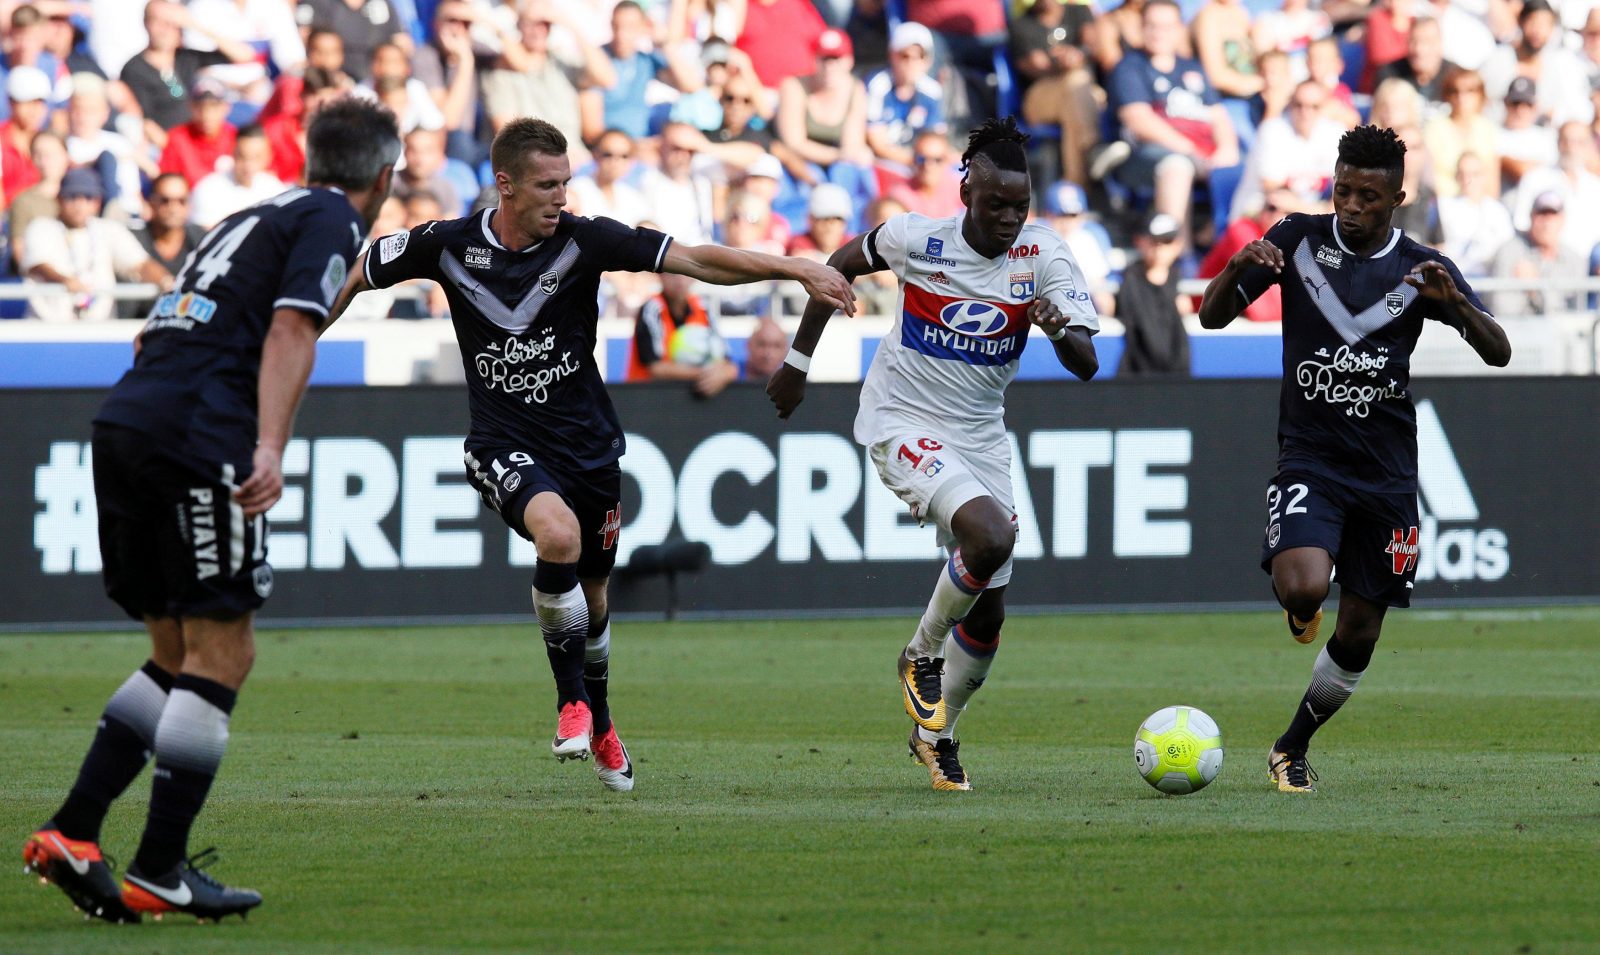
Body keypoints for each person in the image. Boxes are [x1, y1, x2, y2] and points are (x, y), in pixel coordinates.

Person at [335, 117, 853, 794]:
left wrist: (795, 266)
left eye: (566, 183)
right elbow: (358, 270)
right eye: (547, 185)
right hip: (501, 442)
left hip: (588, 449)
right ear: (505, 185)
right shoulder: (447, 244)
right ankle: (571, 703)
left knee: (596, 596)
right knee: (557, 537)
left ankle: (602, 721)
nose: (561, 197)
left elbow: (698, 260)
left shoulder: (586, 239)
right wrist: (291, 339)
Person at [21, 98, 399, 923]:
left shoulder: (248, 216)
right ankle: (160, 866)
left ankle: (75, 830)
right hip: (195, 435)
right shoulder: (334, 220)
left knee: (177, 651)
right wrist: (267, 445)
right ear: (384, 177)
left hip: (128, 421)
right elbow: (293, 329)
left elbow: (151, 335)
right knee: (225, 649)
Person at [767, 117, 1099, 792]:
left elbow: (1087, 363)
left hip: (981, 433)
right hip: (901, 418)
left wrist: (1059, 328)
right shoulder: (917, 239)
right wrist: (798, 362)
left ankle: (935, 736)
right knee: (992, 535)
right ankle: (920, 654)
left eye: (1020, 206)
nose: (1009, 218)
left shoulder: (1044, 255)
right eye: (995, 204)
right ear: (966, 192)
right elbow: (837, 266)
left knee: (990, 614)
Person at [1197, 125, 1511, 794]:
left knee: (1362, 631)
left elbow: (1499, 351)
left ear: (1398, 198)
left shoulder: (1423, 267)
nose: (1351, 206)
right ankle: (1300, 604)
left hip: (1388, 474)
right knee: (1304, 587)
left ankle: (1291, 745)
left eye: (1368, 196)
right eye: (1342, 191)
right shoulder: (1296, 239)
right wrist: (1235, 267)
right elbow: (1212, 318)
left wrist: (1455, 305)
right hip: (1311, 457)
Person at [21, 169, 174, 322]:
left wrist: (166, 282)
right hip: (47, 327)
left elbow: (141, 264)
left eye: (88, 197)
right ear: (59, 199)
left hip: (99, 327)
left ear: (98, 202)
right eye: (71, 196)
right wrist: (66, 281)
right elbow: (39, 266)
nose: (79, 204)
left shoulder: (109, 229)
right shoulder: (41, 227)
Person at [626, 271, 739, 395]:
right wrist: (706, 374)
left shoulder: (704, 308)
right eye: (672, 273)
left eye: (685, 273)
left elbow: (727, 362)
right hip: (648, 395)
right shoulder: (651, 309)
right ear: (660, 275)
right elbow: (655, 368)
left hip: (694, 398)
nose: (680, 280)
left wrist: (724, 374)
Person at [1115, 211, 1189, 376]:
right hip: (1137, 376)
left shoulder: (1182, 278)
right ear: (1140, 241)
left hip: (1177, 375)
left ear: (1178, 244)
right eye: (1154, 241)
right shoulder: (1130, 279)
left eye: (1167, 241)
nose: (1160, 248)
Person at [1491, 190, 1587, 315]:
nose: (1547, 223)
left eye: (1552, 215)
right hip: (1517, 326)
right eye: (1541, 214)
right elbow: (1501, 310)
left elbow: (1576, 314)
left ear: (1562, 220)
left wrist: (1535, 290)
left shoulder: (1575, 260)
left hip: (1561, 327)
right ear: (1531, 217)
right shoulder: (1510, 252)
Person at [189, 125, 287, 229]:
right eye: (242, 156)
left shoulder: (276, 191)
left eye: (256, 157)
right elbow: (202, 232)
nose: (248, 165)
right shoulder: (209, 189)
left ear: (268, 156)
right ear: (233, 153)